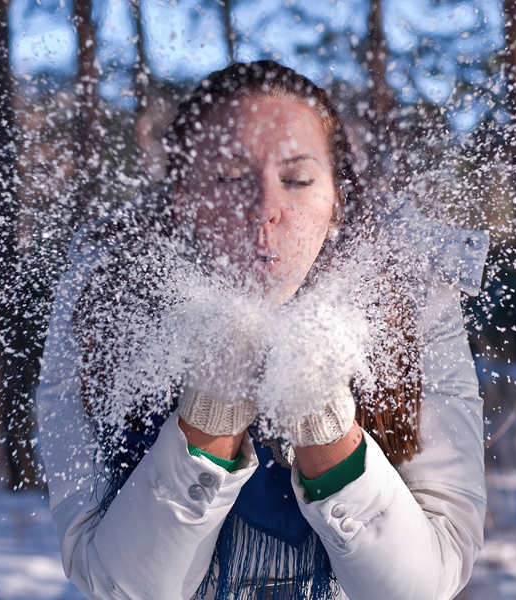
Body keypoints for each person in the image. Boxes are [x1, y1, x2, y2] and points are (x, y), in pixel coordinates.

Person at [35, 61, 490, 600]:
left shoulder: (413, 305)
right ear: (183, 199)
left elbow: (428, 583)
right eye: (228, 180)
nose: (265, 210)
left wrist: (321, 416)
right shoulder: (102, 306)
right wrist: (214, 407)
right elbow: (116, 583)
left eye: (297, 180)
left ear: (335, 202)